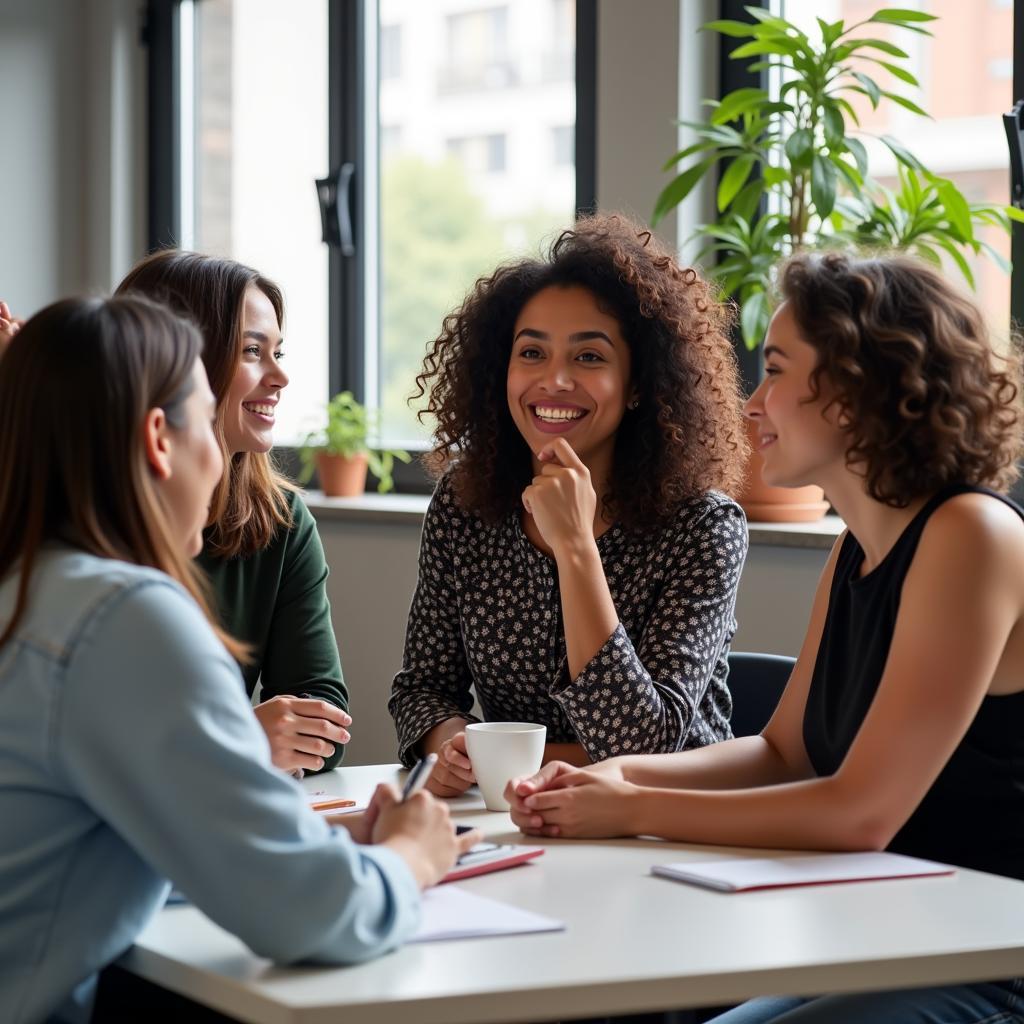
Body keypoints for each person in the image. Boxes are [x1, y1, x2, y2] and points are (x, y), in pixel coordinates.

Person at [506, 251, 1024, 1024]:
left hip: (988, 960)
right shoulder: (859, 546)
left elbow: (859, 815)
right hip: (887, 938)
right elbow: (783, 752)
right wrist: (616, 781)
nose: (753, 403)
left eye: (776, 371)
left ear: (854, 390)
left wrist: (634, 808)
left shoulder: (970, 535)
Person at [0, 296, 477, 1024]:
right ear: (159, 438)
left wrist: (308, 838)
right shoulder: (125, 617)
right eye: (206, 419)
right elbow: (304, 917)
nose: (221, 460)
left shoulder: (30, 589)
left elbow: (112, 837)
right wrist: (411, 856)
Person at [389, 214, 750, 797]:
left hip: (668, 825)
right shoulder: (464, 505)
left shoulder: (703, 526)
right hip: (515, 816)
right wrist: (451, 743)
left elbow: (642, 746)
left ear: (639, 384)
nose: (553, 380)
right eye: (531, 353)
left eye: (588, 358)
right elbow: (422, 688)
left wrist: (576, 546)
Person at [116, 252, 349, 775]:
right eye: (250, 351)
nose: (280, 377)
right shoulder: (83, 525)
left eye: (277, 352)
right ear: (174, 364)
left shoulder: (281, 520)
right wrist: (238, 736)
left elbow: (325, 722)